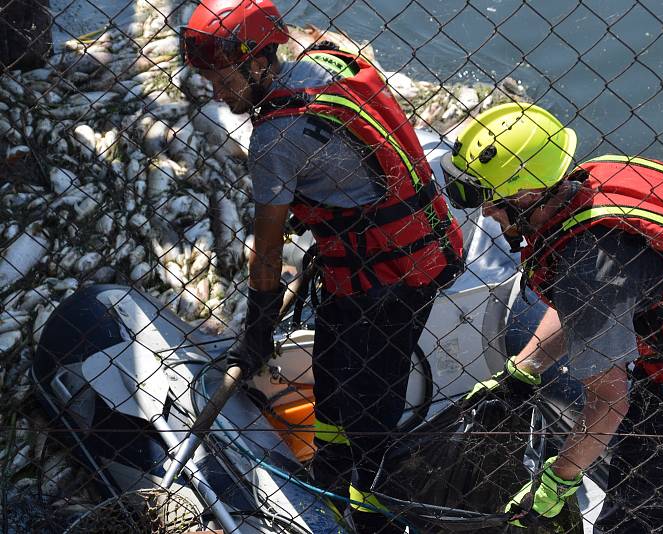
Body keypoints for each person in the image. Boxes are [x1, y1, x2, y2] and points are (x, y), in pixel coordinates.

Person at [180, 1, 464, 532]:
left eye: (222, 78)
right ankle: (333, 470)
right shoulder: (329, 63)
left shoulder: (273, 138)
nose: (215, 93)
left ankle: (370, 505)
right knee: (334, 371)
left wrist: (258, 329)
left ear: (260, 62)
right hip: (428, 242)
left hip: (385, 277)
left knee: (370, 392)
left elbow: (265, 251)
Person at [441, 102, 663, 532]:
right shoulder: (595, 180)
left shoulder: (587, 262)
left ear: (527, 195)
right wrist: (527, 367)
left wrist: (558, 481)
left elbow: (610, 400)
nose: (486, 213)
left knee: (644, 511)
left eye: (493, 202)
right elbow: (589, 308)